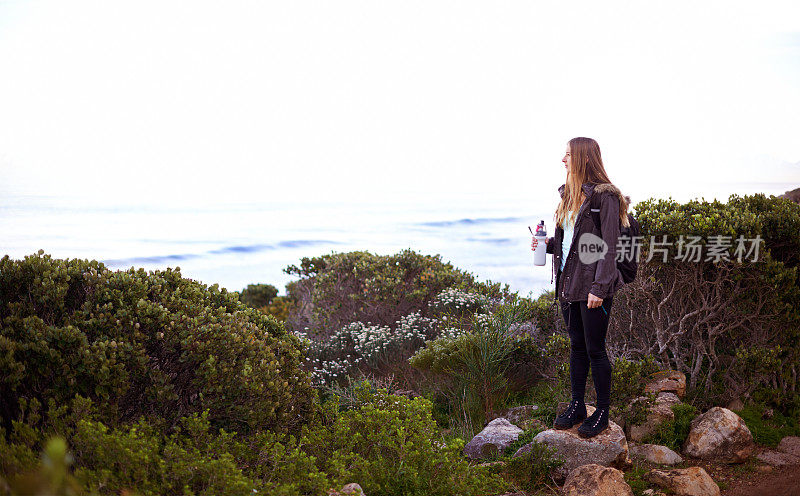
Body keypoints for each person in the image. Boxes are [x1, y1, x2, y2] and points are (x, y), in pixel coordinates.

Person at [530, 137, 631, 438]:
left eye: (568, 155)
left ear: (584, 159)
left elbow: (609, 247)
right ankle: (577, 405)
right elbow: (571, 243)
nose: (563, 160)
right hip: (568, 285)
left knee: (595, 350)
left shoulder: (605, 198)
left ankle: (601, 412)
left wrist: (600, 288)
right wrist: (547, 245)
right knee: (576, 347)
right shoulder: (568, 196)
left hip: (593, 287)